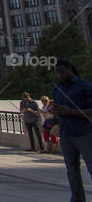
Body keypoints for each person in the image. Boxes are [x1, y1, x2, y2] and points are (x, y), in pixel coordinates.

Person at [51, 58, 92, 202]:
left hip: (84, 133)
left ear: (70, 70)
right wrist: (55, 113)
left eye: (62, 72)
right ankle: (78, 199)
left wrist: (71, 111)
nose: (60, 76)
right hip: (66, 133)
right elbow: (57, 110)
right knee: (72, 171)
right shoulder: (58, 88)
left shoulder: (85, 86)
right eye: (57, 73)